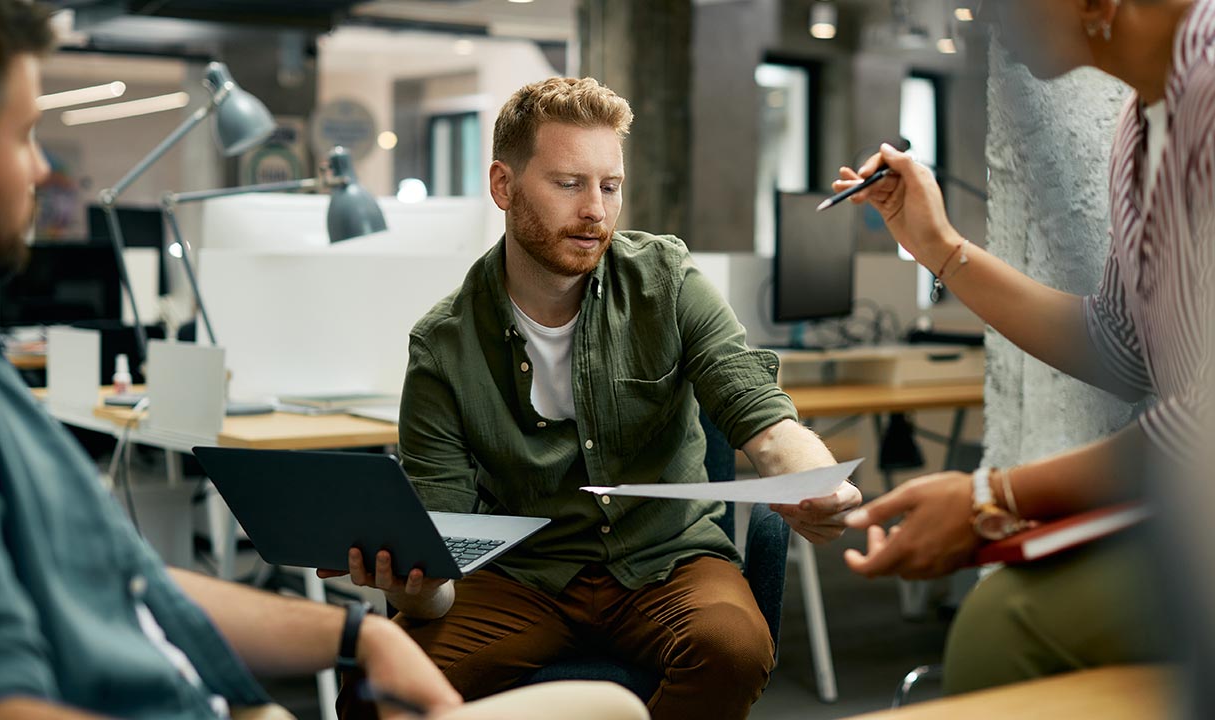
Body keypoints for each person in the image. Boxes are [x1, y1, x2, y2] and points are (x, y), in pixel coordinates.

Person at [0, 3, 648, 719]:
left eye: (607, 186)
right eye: (26, 134)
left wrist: (357, 634)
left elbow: (130, 578)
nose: (39, 167)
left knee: (607, 705)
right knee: (612, 712)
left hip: (224, 698)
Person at [328, 76, 861, 720]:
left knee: (733, 646)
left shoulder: (666, 282)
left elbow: (763, 418)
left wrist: (815, 482)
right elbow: (435, 577)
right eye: (569, 183)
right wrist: (411, 592)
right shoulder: (443, 347)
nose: (596, 212)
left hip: (666, 559)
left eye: (610, 186)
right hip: (523, 573)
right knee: (381, 689)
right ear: (504, 186)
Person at [835, 0, 1210, 695]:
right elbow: (1122, 348)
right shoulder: (1142, 125)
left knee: (1006, 628)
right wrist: (937, 247)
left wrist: (989, 498)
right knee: (1000, 619)